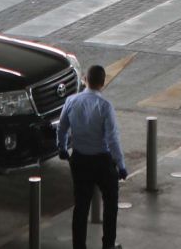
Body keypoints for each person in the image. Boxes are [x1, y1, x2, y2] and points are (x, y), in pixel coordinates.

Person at [57, 64, 126, 249]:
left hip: (79, 159)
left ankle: (79, 246)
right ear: (103, 83)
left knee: (81, 206)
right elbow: (112, 139)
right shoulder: (105, 106)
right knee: (111, 204)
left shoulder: (71, 101)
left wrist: (62, 148)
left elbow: (62, 128)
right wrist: (121, 165)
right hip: (102, 161)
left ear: (85, 80)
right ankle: (108, 245)